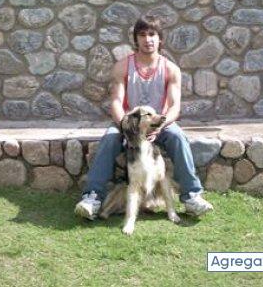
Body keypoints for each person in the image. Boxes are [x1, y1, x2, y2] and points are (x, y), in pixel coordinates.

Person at [75, 16, 213, 220]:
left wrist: (161, 125)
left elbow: (174, 106)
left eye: (152, 34)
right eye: (142, 35)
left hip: (159, 123)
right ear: (136, 39)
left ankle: (192, 197)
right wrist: (126, 127)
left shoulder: (171, 69)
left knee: (178, 137)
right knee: (110, 138)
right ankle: (92, 198)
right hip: (129, 124)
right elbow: (116, 102)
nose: (147, 39)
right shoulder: (123, 67)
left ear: (160, 39)